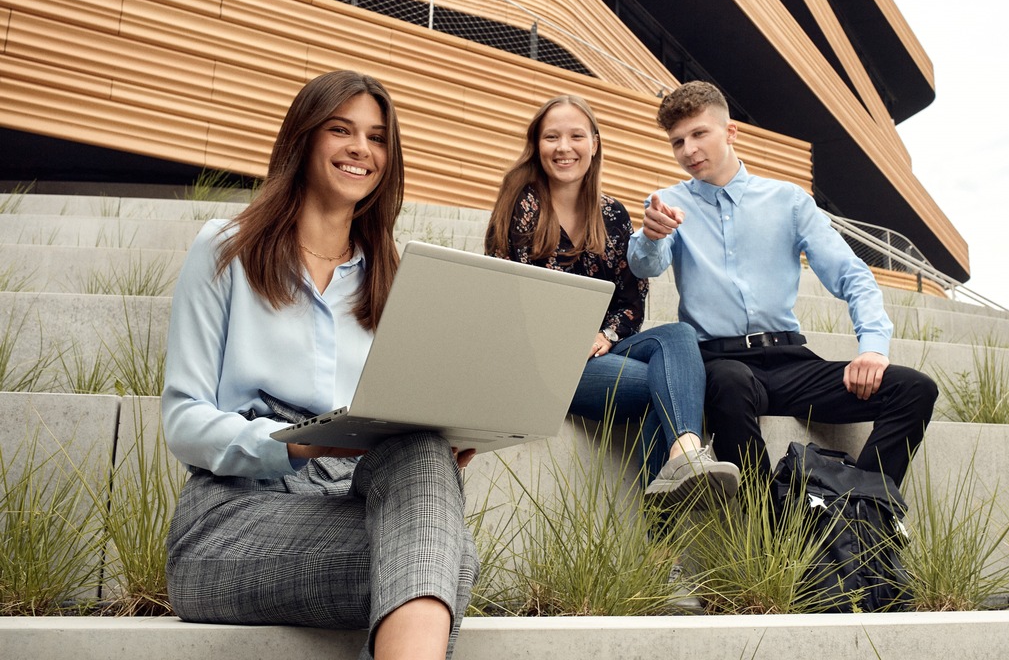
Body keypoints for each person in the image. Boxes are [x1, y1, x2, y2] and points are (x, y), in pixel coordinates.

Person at [161, 70, 477, 660]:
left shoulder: (397, 276)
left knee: (426, 463)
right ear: (304, 139)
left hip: (352, 499)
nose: (362, 149)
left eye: (378, 138)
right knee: (447, 559)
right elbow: (183, 421)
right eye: (341, 130)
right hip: (233, 515)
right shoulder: (225, 247)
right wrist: (301, 443)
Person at [627, 81, 938, 487]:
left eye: (699, 134)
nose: (689, 150)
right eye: (678, 142)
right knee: (728, 383)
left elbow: (851, 274)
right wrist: (650, 236)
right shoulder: (668, 203)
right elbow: (645, 265)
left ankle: (859, 509)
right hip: (720, 364)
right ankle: (768, 532)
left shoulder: (788, 200)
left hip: (789, 360)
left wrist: (873, 348)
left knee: (915, 389)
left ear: (731, 132)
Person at [484, 94, 739, 505]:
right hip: (541, 363)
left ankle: (685, 455)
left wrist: (604, 335)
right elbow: (501, 293)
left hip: (601, 351)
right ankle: (664, 546)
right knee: (669, 391)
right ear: (537, 144)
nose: (564, 147)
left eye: (575, 136)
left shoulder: (613, 214)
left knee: (677, 336)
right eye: (552, 137)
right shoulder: (522, 204)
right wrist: (564, 341)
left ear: (594, 144)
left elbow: (631, 301)